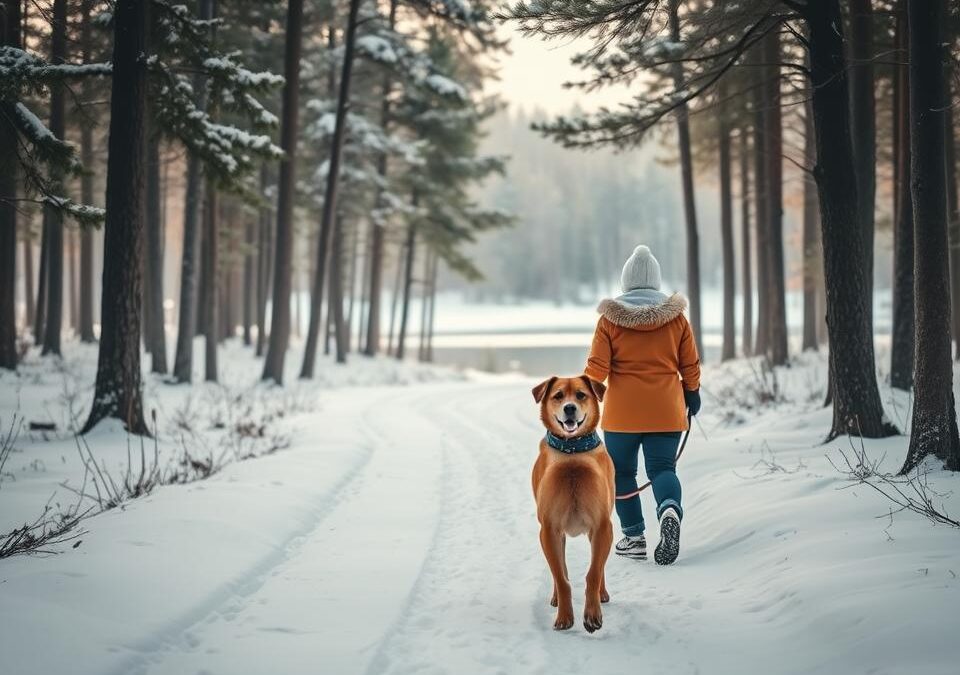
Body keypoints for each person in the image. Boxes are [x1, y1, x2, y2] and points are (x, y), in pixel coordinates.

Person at [583, 245, 701, 565]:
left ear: (625, 282)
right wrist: (692, 392)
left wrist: (588, 397)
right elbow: (689, 364)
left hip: (622, 415)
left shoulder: (610, 321)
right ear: (657, 281)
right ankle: (669, 510)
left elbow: (597, 369)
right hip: (666, 410)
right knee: (663, 468)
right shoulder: (676, 320)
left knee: (621, 472)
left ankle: (633, 537)